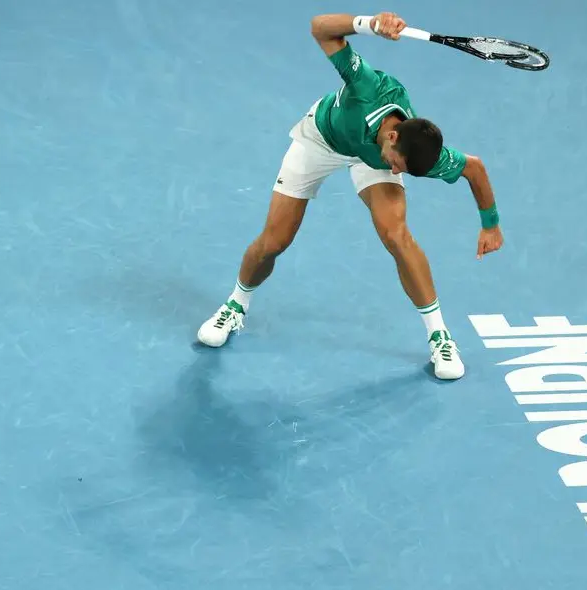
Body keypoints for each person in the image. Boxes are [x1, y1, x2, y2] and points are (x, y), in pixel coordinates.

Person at [196, 12, 504, 380]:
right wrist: (369, 24)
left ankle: (440, 336)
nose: (396, 173)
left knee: (397, 236)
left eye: (403, 171)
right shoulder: (365, 86)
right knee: (274, 242)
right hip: (321, 140)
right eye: (397, 165)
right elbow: (319, 28)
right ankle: (235, 305)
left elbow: (474, 168)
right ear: (392, 137)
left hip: (369, 155)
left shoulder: (415, 153)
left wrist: (490, 226)